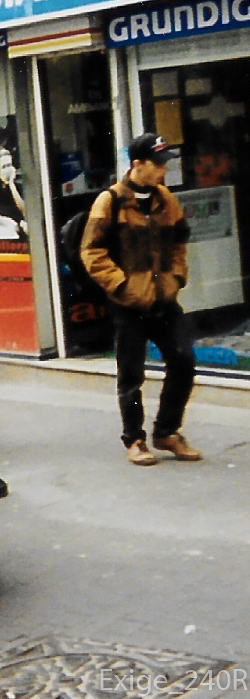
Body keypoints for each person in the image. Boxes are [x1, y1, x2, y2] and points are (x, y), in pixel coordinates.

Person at [81, 133, 201, 467]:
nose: (163, 170)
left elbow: (179, 243)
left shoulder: (166, 200)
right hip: (128, 303)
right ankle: (134, 439)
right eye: (158, 163)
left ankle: (167, 431)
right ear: (137, 164)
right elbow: (92, 252)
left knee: (184, 360)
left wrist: (177, 278)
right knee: (131, 374)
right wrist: (122, 286)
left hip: (164, 300)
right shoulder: (110, 201)